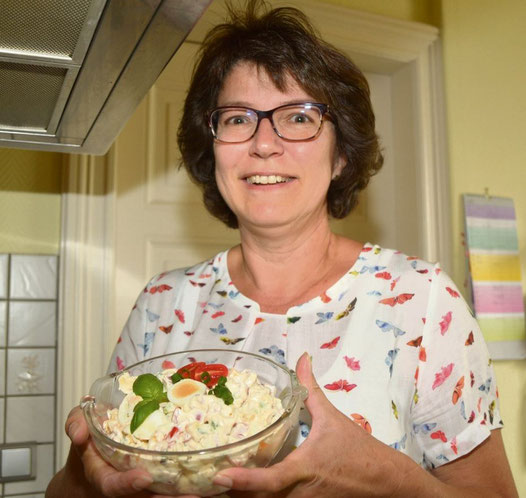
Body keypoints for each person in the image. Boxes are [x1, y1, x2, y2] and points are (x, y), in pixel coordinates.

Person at [46, 1, 518, 496]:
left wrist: (391, 480)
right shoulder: (162, 303)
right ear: (212, 148)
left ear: (340, 155)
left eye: (297, 116)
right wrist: (85, 472)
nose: (264, 144)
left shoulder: (423, 302)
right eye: (236, 118)